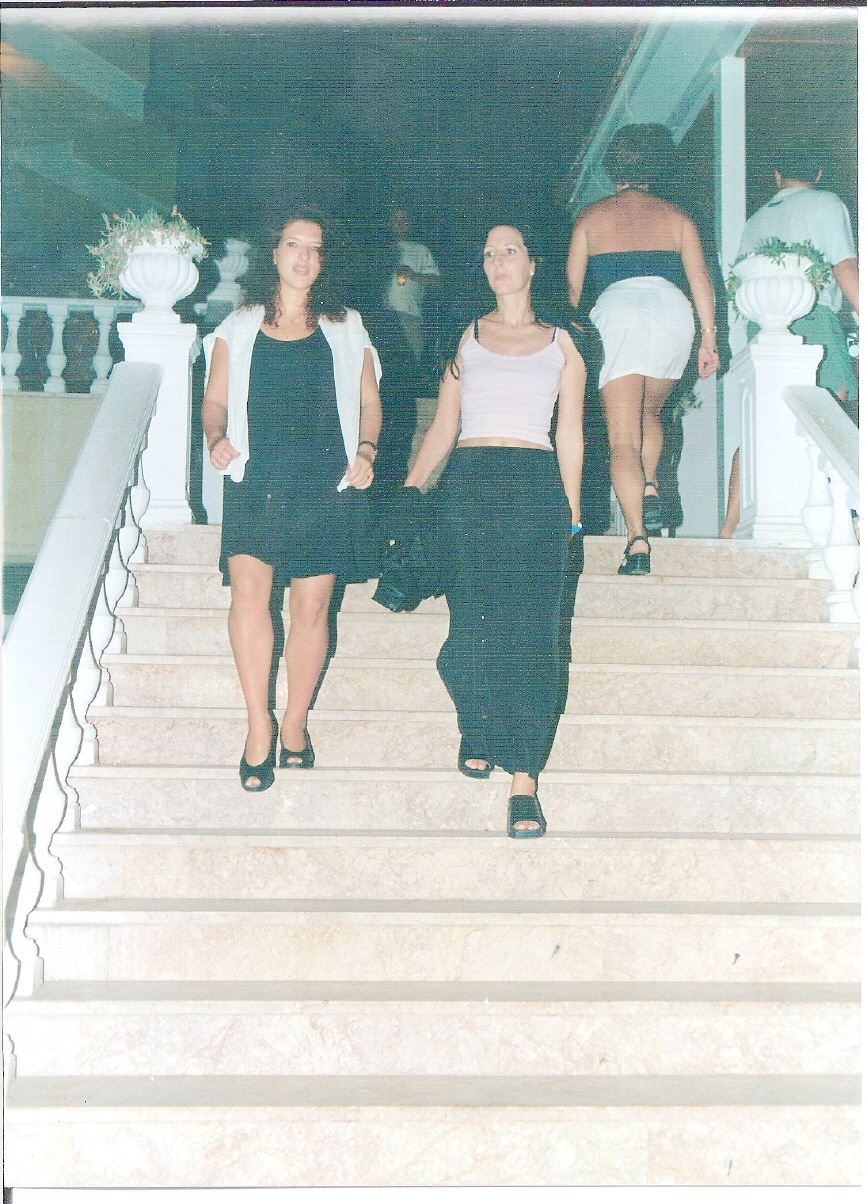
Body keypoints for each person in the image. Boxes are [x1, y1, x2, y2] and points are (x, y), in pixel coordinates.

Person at [399, 222, 585, 838]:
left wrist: (572, 512)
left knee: (533, 633)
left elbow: (570, 432)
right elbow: (443, 426)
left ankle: (524, 779)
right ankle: (476, 725)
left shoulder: (563, 344)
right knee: (472, 624)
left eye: (510, 251)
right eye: (488, 254)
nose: (498, 262)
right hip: (471, 484)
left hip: (534, 486)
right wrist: (410, 492)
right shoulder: (468, 338)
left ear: (533, 265)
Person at [202, 209, 382, 792]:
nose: (304, 256)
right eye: (292, 244)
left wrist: (367, 450)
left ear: (324, 260)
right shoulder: (238, 325)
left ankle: (296, 720)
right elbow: (215, 402)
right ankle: (259, 724)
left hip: (324, 481)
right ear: (274, 253)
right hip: (256, 478)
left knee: (310, 609)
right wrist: (216, 438)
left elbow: (369, 403)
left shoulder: (347, 326)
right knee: (249, 596)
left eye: (315, 247)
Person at [566, 123, 720, 573]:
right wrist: (709, 337)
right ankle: (650, 484)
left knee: (622, 436)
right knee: (651, 411)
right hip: (672, 314)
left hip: (617, 315)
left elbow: (572, 290)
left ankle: (637, 541)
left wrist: (568, 338)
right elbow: (701, 282)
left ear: (612, 168)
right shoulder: (677, 217)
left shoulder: (591, 218)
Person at [720, 146, 859, 538]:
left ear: (777, 176)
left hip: (760, 328)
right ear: (818, 173)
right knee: (829, 415)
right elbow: (845, 266)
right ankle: (830, 520)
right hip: (814, 319)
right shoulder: (826, 203)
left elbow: (740, 285)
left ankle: (730, 524)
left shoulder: (755, 220)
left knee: (762, 424)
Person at [383, 207, 440, 366]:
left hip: (410, 316)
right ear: (389, 224)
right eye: (396, 220)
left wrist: (413, 275)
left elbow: (436, 281)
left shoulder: (420, 250)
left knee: (412, 365)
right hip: (384, 317)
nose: (400, 224)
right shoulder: (382, 250)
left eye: (404, 220)